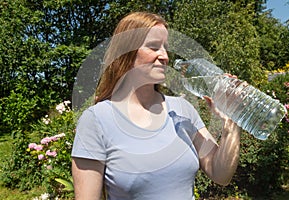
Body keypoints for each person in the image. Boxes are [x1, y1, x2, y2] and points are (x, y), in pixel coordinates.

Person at [71, 12, 241, 200]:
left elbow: (220, 174)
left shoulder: (182, 109)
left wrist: (231, 120)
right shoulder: (96, 120)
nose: (164, 56)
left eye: (165, 48)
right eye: (153, 47)